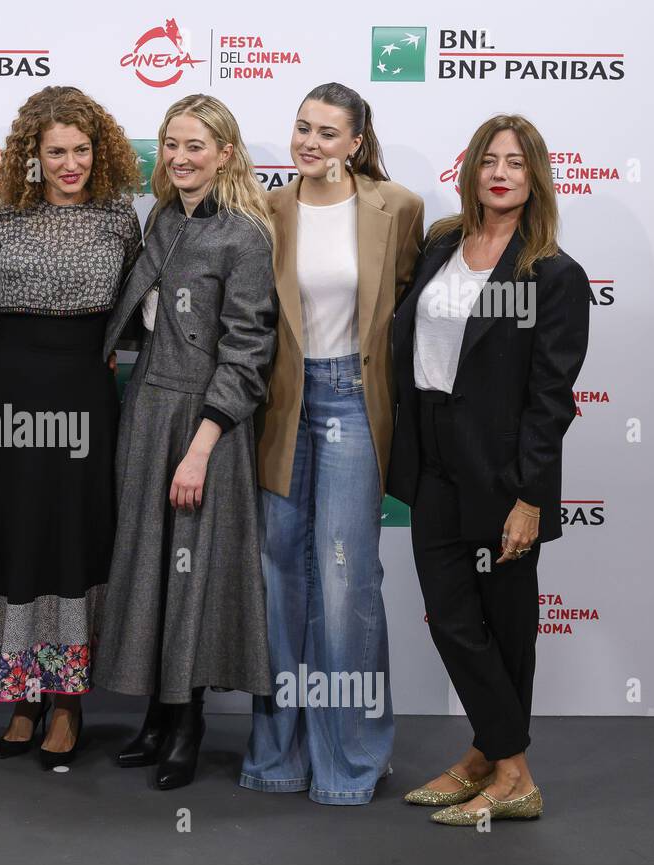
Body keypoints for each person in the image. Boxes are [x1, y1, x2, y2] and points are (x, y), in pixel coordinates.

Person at [387, 114, 589, 824]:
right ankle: (497, 762)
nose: (500, 173)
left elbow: (551, 398)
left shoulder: (553, 275)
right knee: (450, 616)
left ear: (535, 177)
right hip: (433, 457)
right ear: (471, 171)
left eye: (515, 163)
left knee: (505, 625)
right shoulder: (444, 243)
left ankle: (504, 770)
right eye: (488, 161)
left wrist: (530, 498)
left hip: (504, 473)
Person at [0, 86, 142, 769]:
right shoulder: (7, 211)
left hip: (83, 385)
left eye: (82, 150)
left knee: (71, 532)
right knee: (13, 526)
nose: (70, 163)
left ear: (99, 151)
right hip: (7, 384)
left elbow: (134, 315)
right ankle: (20, 694)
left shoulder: (120, 215)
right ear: (34, 155)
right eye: (56, 151)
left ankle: (67, 700)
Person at [241, 83, 424, 806]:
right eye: (302, 128)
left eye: (327, 133)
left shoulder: (397, 208)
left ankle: (351, 757)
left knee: (346, 583)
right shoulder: (268, 208)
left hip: (354, 401)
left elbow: (416, 299)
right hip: (282, 406)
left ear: (355, 142)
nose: (310, 143)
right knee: (280, 576)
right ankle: (277, 753)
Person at [95, 94, 278, 790]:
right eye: (171, 144)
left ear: (225, 153)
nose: (179, 157)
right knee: (146, 564)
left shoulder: (245, 236)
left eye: (195, 145)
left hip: (206, 423)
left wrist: (201, 446)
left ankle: (188, 723)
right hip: (147, 412)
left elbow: (247, 353)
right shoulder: (163, 220)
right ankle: (154, 711)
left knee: (191, 571)